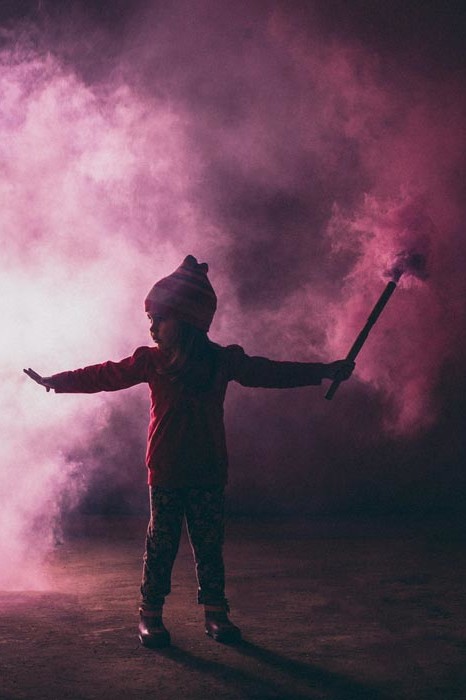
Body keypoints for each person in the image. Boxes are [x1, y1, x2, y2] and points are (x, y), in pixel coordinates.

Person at [24, 255, 354, 649]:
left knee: (209, 543)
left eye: (159, 319)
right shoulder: (151, 360)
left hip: (208, 469)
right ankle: (150, 615)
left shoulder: (221, 360)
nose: (151, 327)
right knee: (161, 543)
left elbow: (270, 372)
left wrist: (322, 370)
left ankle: (216, 613)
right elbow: (104, 375)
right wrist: (56, 382)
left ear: (185, 322)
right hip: (166, 469)